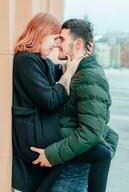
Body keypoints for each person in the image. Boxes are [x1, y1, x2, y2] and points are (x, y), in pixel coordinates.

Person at [31, 19, 119, 192]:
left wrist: (51, 155)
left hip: (74, 171)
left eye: (62, 39)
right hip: (70, 162)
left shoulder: (90, 77)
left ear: (78, 43)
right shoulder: (76, 70)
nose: (57, 44)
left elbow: (90, 132)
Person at [12, 13, 86, 192]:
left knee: (94, 150)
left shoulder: (39, 60)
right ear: (41, 33)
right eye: (55, 38)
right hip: (34, 136)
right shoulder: (26, 60)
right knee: (95, 152)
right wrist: (67, 75)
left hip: (41, 128)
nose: (56, 45)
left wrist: (74, 59)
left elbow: (56, 71)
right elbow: (51, 101)